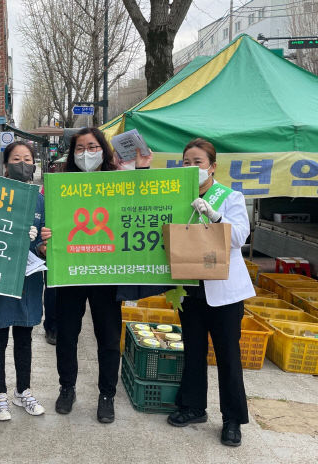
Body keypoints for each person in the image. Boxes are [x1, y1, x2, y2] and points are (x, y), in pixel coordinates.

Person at [40, 127, 151, 424]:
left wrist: (143, 168)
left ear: (103, 149)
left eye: (92, 146)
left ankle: (107, 395)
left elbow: (144, 201)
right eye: (79, 148)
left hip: (106, 271)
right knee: (66, 334)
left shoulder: (119, 180)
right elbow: (45, 222)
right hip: (71, 272)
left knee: (108, 336)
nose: (86, 153)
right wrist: (45, 235)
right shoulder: (60, 184)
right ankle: (67, 388)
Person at [166, 138, 255, 447]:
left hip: (225, 291)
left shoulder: (230, 196)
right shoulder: (179, 196)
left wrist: (214, 215)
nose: (192, 168)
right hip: (190, 286)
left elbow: (240, 237)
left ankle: (232, 420)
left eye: (198, 162)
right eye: (186, 162)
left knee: (228, 355)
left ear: (212, 167)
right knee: (192, 349)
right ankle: (192, 406)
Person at [0, 141, 46, 421]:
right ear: (5, 165)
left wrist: (42, 244)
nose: (22, 163)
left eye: (27, 158)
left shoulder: (41, 198)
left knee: (24, 335)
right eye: (16, 158)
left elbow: (47, 240)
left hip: (29, 277)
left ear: (34, 164)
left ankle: (24, 391)